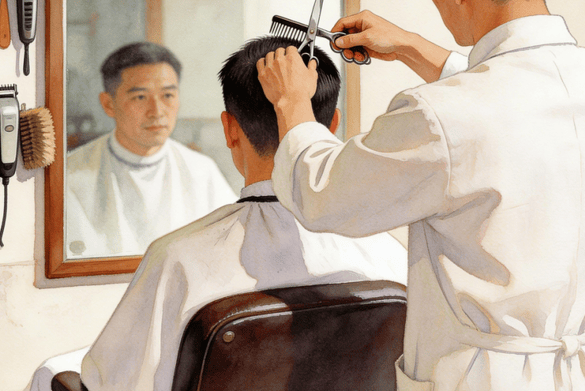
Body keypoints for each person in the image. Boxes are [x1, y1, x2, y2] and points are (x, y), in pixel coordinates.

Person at [257, 0, 585, 391]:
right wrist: (411, 47)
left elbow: (321, 196)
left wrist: (292, 104)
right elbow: (509, 102)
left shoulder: (439, 115)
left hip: (488, 377)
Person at [27, 36, 407, 391]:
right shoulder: (388, 254)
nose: (156, 110)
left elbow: (112, 382)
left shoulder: (178, 261)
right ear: (332, 125)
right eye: (140, 96)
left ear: (230, 130)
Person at [65, 42, 237, 257]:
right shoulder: (70, 174)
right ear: (108, 104)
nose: (157, 111)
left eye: (168, 95)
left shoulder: (202, 172)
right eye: (140, 97)